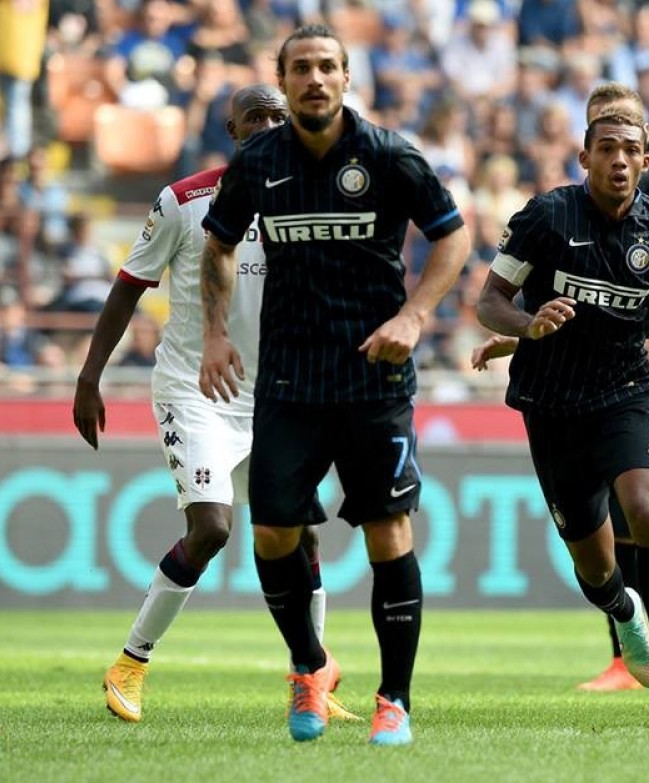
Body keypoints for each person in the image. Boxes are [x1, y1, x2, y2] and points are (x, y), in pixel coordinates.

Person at [198, 25, 471, 746]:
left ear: (347, 78)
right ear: (283, 81)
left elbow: (454, 235)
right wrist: (216, 332)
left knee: (388, 531)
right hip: (290, 376)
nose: (314, 78)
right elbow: (218, 244)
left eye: (327, 66)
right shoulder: (259, 161)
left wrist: (415, 314)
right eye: (301, 68)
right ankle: (310, 665)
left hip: (374, 378)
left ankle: (395, 699)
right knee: (272, 531)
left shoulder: (388, 155)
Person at [73, 84, 354, 725]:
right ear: (232, 130)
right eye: (255, 116)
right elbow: (128, 288)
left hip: (273, 395)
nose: (268, 125)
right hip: (194, 390)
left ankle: (310, 678)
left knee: (303, 534)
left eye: (278, 116)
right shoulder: (184, 201)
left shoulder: (309, 203)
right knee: (212, 529)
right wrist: (90, 378)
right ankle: (130, 663)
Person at [476, 107, 649, 727]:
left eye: (632, 150)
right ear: (585, 158)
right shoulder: (546, 217)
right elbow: (489, 300)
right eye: (608, 148)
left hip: (626, 393)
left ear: (645, 161)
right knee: (597, 568)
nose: (621, 160)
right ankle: (625, 615)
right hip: (552, 404)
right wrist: (527, 324)